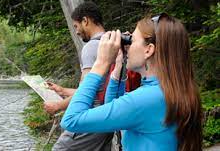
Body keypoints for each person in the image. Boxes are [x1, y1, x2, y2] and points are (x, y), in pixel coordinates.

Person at [61, 13, 203, 151]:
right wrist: (118, 67)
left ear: (149, 50)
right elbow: (112, 108)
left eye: (132, 40)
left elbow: (71, 120)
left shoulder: (146, 99)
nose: (127, 45)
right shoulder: (170, 89)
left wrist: (101, 64)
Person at [45, 1, 114, 151]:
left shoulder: (91, 47)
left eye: (76, 26)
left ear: (85, 20)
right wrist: (62, 90)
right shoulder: (112, 43)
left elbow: (86, 92)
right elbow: (98, 87)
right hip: (108, 116)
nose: (76, 31)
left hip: (90, 117)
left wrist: (58, 106)